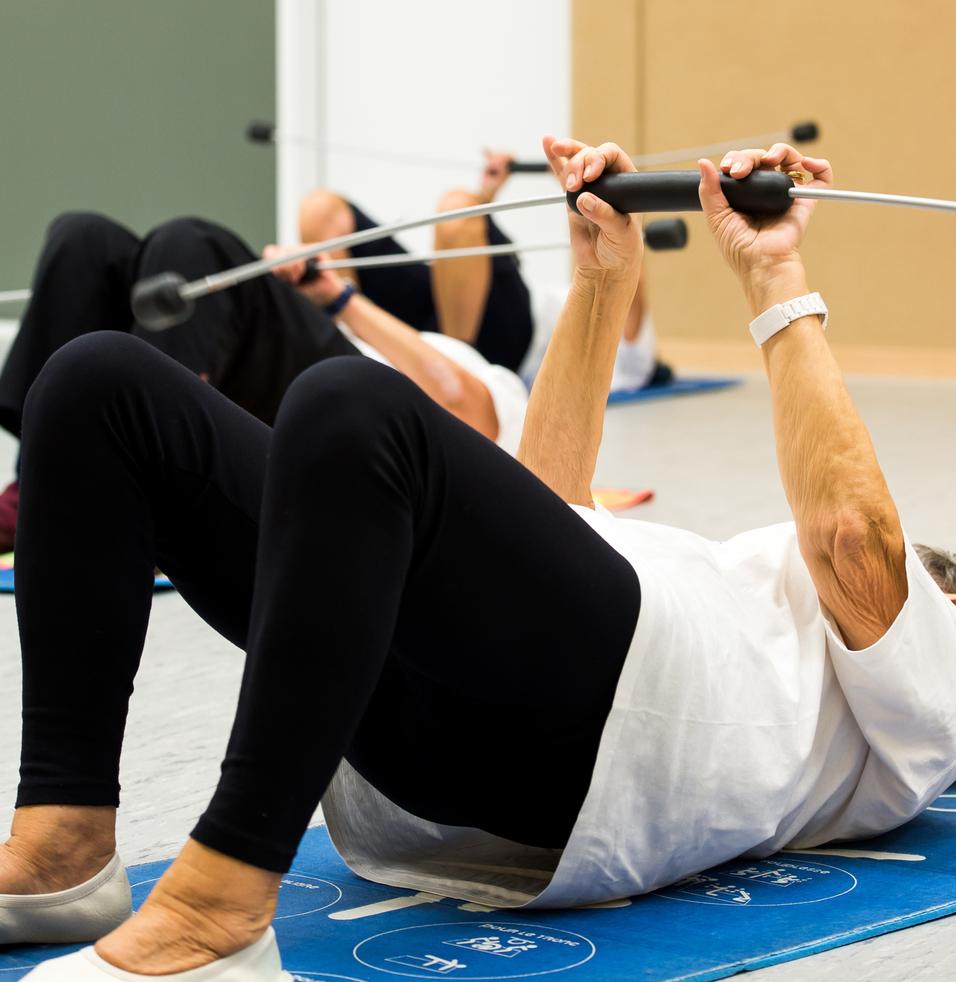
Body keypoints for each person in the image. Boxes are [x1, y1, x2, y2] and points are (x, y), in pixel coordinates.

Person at [3, 135, 956, 982]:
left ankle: (220, 911)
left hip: (605, 743)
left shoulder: (933, 674)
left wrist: (775, 274)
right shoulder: (751, 590)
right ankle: (61, 848)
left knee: (354, 410)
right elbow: (553, 507)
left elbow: (852, 538)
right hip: (478, 707)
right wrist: (603, 280)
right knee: (99, 383)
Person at [0, 212, 528, 552]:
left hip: (339, 429)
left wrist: (341, 299)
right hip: (264, 397)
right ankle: (41, 475)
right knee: (84, 238)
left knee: (190, 243)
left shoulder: (488, 380)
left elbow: (457, 406)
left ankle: (137, 490)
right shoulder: (373, 334)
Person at [299, 150, 669, 387]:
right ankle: (356, 351)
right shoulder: (630, 339)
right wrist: (492, 193)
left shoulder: (633, 365)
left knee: (457, 207)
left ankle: (452, 372)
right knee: (321, 210)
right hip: (460, 310)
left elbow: (626, 270)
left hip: (507, 343)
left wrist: (615, 209)